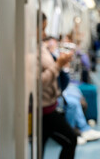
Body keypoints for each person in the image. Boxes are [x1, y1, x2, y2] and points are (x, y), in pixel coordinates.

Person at [37, 12, 77, 158]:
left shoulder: (41, 47)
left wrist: (60, 62)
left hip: (49, 105)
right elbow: (37, 82)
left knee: (39, 149)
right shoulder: (29, 51)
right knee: (70, 139)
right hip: (42, 110)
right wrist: (58, 65)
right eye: (41, 29)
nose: (44, 33)